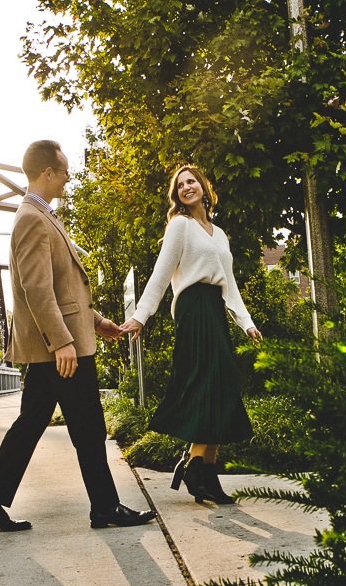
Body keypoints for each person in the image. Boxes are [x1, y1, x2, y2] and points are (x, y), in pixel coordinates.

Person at [0, 140, 157, 531]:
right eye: (65, 171)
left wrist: (96, 321)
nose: (69, 177)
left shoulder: (39, 215)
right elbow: (38, 289)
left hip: (59, 345)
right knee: (88, 426)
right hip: (59, 351)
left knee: (35, 423)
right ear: (48, 173)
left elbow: (64, 290)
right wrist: (63, 341)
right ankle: (105, 507)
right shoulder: (32, 218)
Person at [120, 165, 262, 505]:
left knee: (221, 386)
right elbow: (161, 272)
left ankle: (205, 473)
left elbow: (230, 286)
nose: (186, 187)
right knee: (206, 383)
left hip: (214, 308)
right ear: (176, 195)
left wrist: (247, 322)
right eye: (180, 185)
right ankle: (196, 466)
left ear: (203, 187)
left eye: (191, 181)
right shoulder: (180, 225)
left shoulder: (220, 233)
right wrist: (141, 316)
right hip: (193, 308)